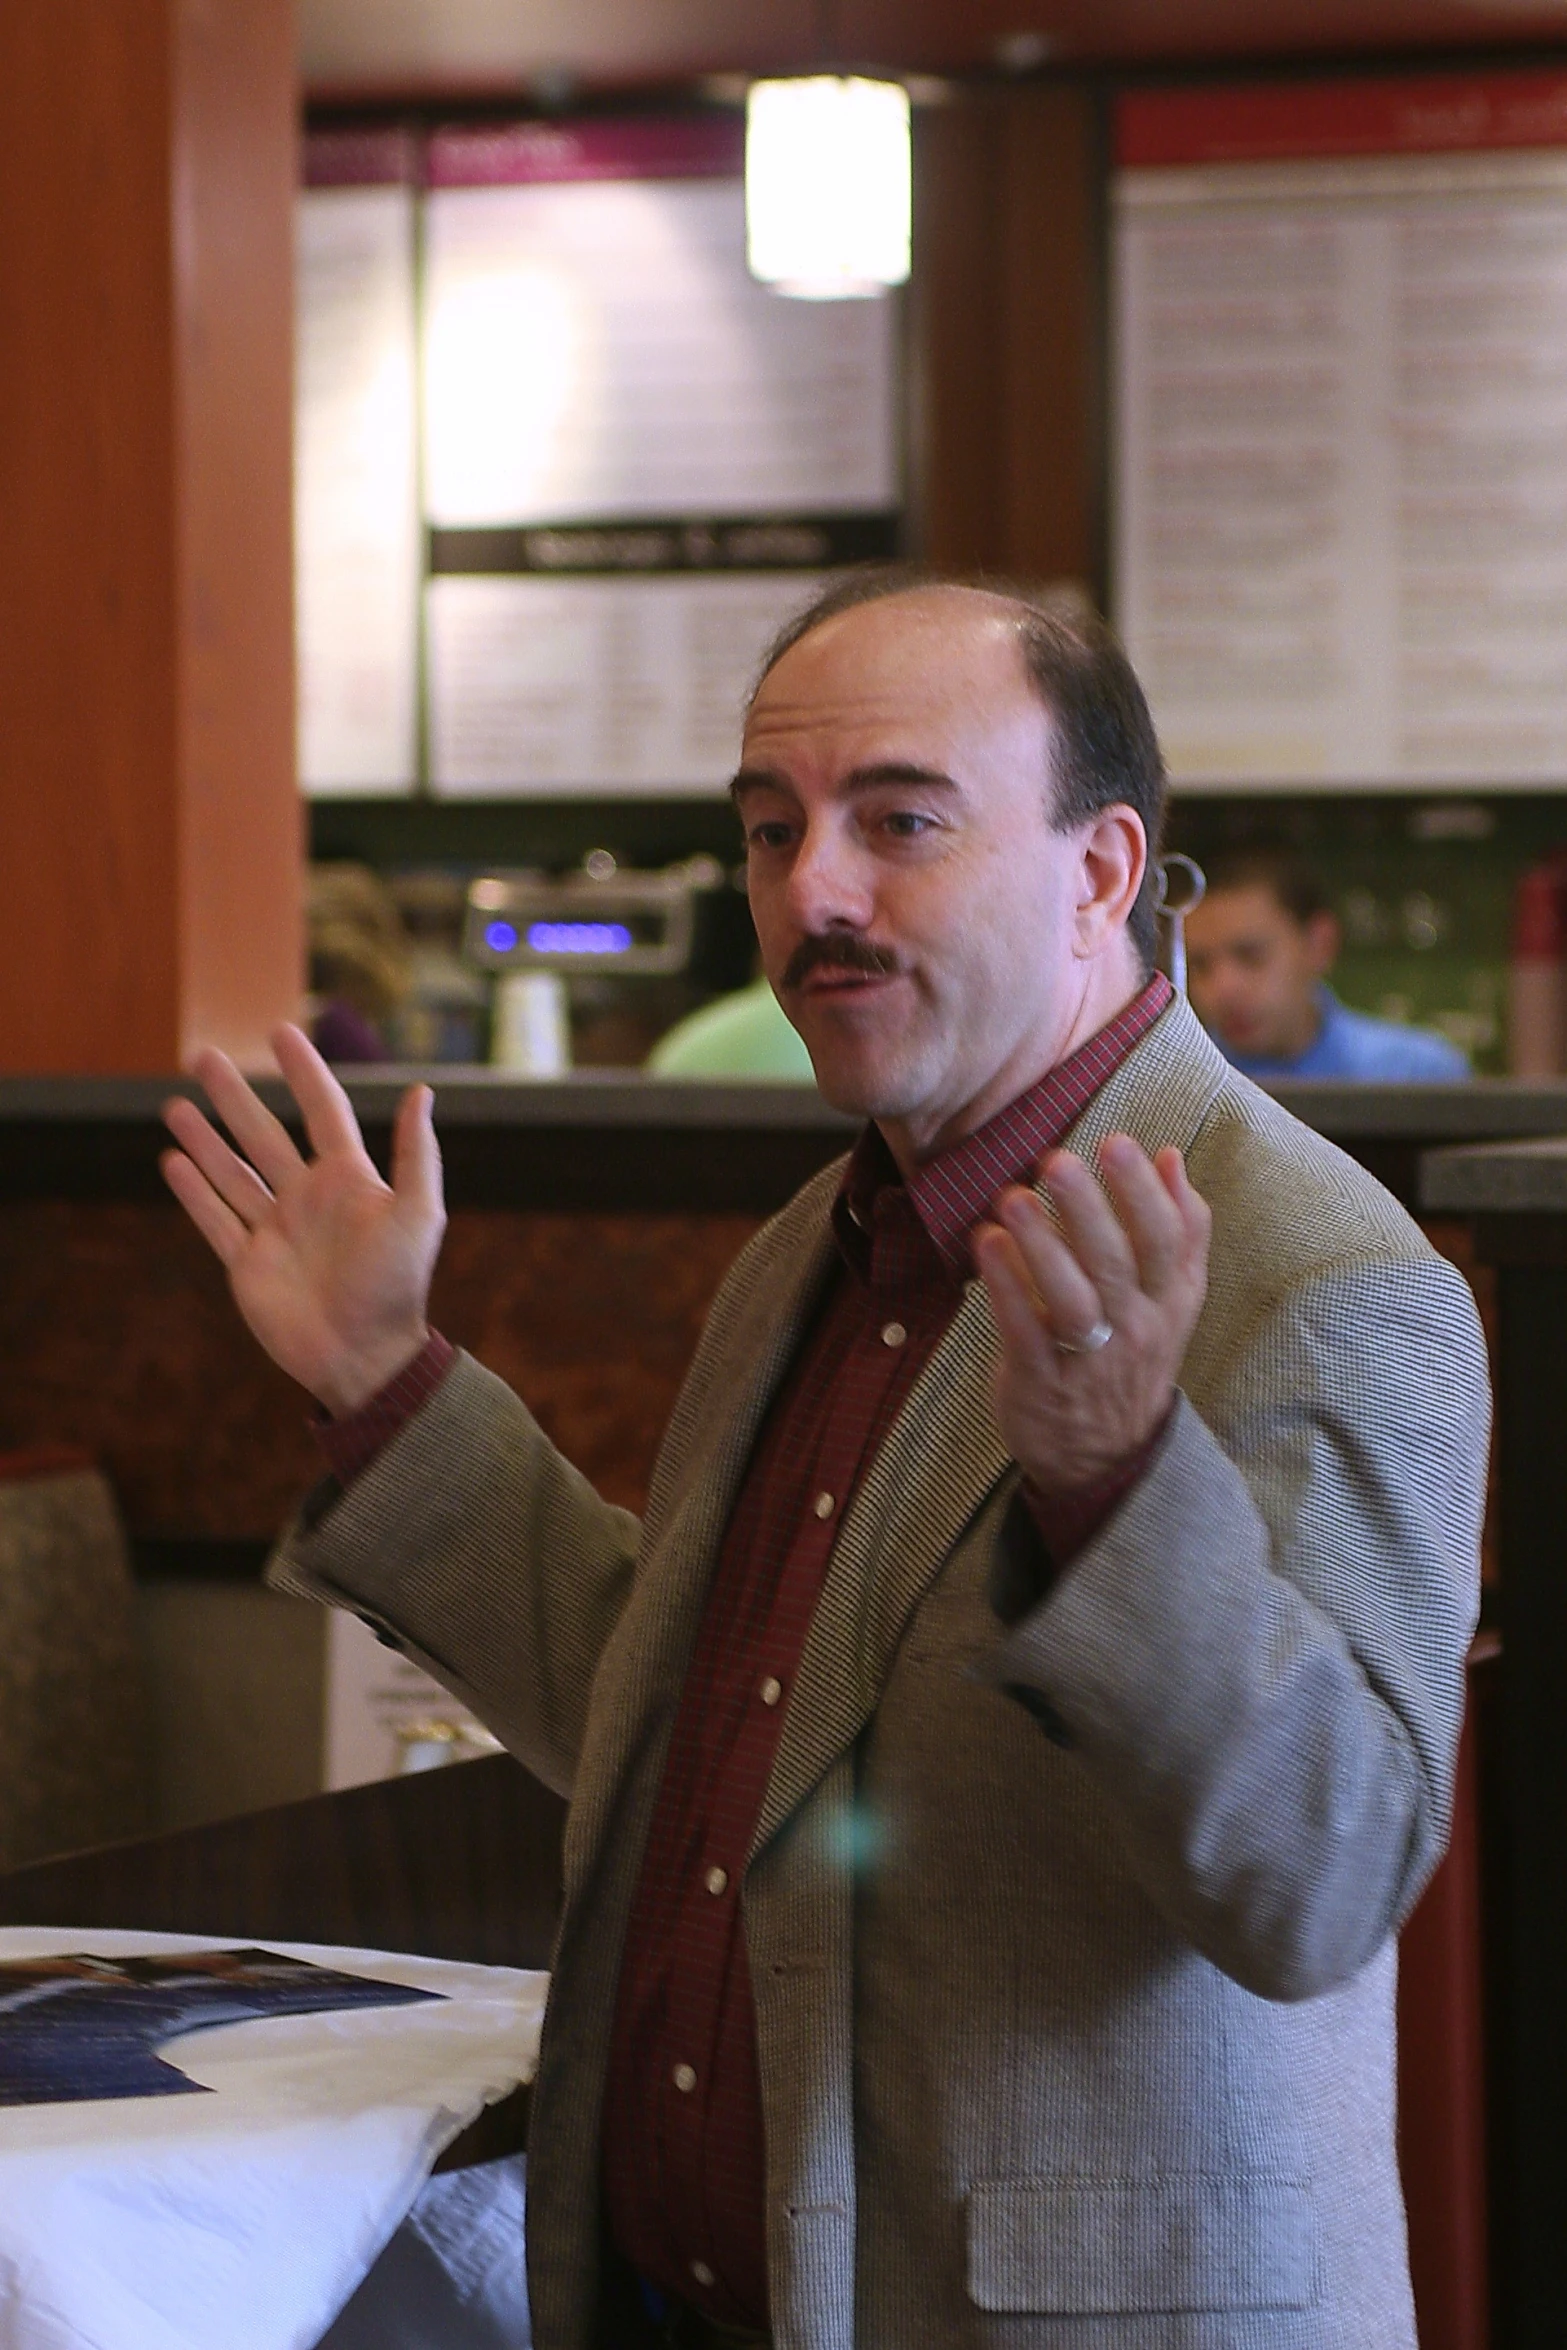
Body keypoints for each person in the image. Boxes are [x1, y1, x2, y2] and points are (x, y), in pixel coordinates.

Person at [160, 576, 1487, 2350]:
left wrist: (1112, 1494)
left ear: (1101, 871)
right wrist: (385, 1378)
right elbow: (664, 1714)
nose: (813, 896)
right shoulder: (823, 1242)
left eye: (899, 822)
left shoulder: (1318, 1268)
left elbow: (1316, 1879)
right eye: (772, 832)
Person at [1183, 848, 1471, 1082]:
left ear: (1320, 944)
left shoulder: (1417, 1074)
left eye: (1250, 956)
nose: (1223, 989)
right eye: (1199, 965)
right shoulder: (1181, 1087)